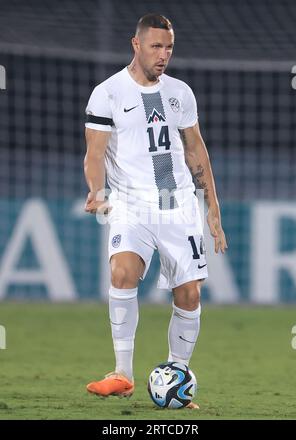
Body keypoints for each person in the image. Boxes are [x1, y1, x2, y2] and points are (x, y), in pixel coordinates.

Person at [84, 13, 227, 409]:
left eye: (169, 48)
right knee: (122, 270)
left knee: (189, 294)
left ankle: (177, 374)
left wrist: (212, 208)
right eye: (156, 47)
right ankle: (123, 373)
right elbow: (94, 154)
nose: (163, 55)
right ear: (136, 44)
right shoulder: (108, 93)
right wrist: (96, 191)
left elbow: (196, 150)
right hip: (130, 203)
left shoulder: (180, 92)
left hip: (176, 203)